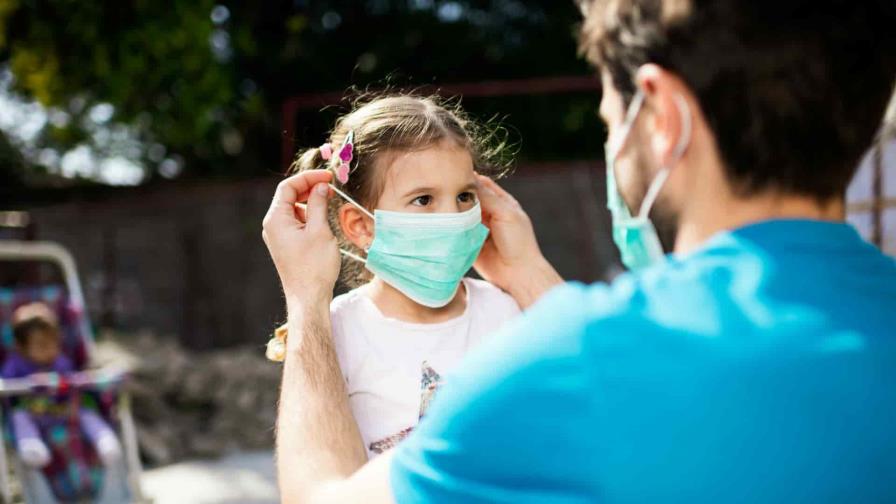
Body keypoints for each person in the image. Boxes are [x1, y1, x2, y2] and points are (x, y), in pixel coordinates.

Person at [262, 0, 896, 502]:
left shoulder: (570, 361)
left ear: (663, 117)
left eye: (609, 115)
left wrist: (306, 298)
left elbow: (323, 497)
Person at [266, 95, 520, 458]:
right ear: (361, 227)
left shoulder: (505, 311)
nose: (453, 216)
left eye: (464, 196)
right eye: (423, 199)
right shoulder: (334, 332)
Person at [4, 302, 122, 468]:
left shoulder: (61, 362)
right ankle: (31, 447)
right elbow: (5, 386)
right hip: (34, 413)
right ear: (22, 348)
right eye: (41, 344)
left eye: (54, 343)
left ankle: (104, 440)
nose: (50, 349)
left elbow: (72, 380)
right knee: (18, 417)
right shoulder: (15, 365)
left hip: (62, 411)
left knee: (86, 411)